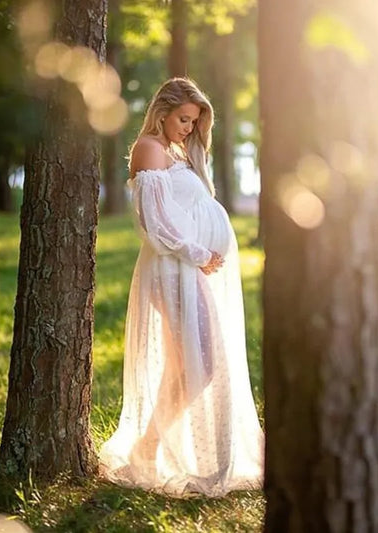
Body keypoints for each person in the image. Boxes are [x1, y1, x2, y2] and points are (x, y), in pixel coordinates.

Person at [99, 77, 264, 497]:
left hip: (188, 269)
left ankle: (149, 447)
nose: (189, 128)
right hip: (173, 268)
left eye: (195, 121)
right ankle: (147, 446)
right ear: (162, 112)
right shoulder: (149, 149)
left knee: (188, 362)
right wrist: (198, 252)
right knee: (201, 363)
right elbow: (155, 223)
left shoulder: (176, 152)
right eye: (184, 118)